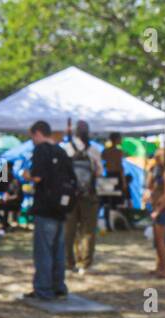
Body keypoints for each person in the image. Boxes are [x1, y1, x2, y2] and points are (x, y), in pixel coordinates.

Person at [23, 120, 72, 300]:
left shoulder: (41, 150)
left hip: (45, 207)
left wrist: (26, 175)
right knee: (58, 250)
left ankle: (43, 288)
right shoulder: (62, 151)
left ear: (38, 133)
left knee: (43, 250)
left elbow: (37, 177)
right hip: (61, 207)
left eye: (32, 137)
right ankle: (58, 285)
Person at [63, 119, 102, 273]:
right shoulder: (94, 150)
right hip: (89, 195)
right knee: (88, 230)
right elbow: (98, 172)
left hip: (70, 196)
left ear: (75, 133)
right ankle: (85, 263)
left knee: (69, 230)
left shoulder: (67, 149)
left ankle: (68, 262)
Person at [146, 145, 165, 278]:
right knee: (157, 240)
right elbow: (149, 186)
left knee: (161, 240)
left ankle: (164, 268)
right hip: (155, 206)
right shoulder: (157, 172)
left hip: (162, 209)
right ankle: (159, 266)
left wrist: (158, 210)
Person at [102, 132, 127, 209]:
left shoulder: (105, 151)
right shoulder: (119, 152)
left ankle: (108, 219)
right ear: (116, 139)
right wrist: (124, 181)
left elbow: (103, 163)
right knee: (117, 201)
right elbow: (120, 167)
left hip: (108, 176)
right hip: (116, 176)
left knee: (108, 200)